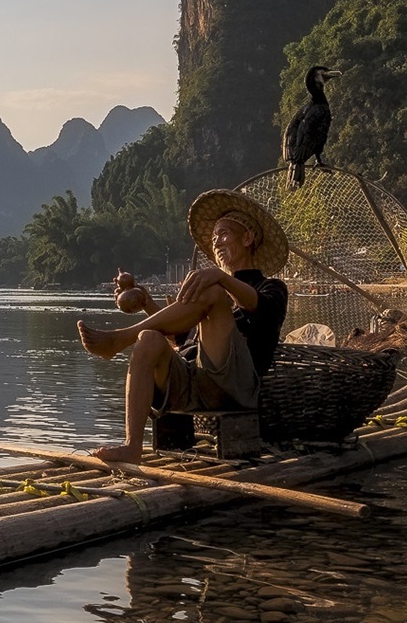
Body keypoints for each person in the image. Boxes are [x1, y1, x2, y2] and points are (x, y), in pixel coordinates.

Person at [76, 191, 290, 463]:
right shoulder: (212, 291)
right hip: (193, 381)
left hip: (234, 387)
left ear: (247, 238)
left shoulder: (271, 288)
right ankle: (132, 446)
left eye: (224, 234)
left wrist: (221, 280)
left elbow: (258, 306)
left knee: (212, 292)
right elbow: (182, 339)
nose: (216, 242)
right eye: (213, 238)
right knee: (149, 338)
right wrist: (145, 300)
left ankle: (119, 340)